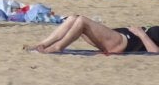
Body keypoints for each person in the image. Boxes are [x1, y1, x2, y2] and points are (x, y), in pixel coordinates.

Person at [28, 15, 159, 55]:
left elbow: (155, 53)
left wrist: (142, 35)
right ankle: (43, 44)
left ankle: (58, 47)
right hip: (120, 36)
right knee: (73, 18)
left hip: (123, 42)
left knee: (82, 21)